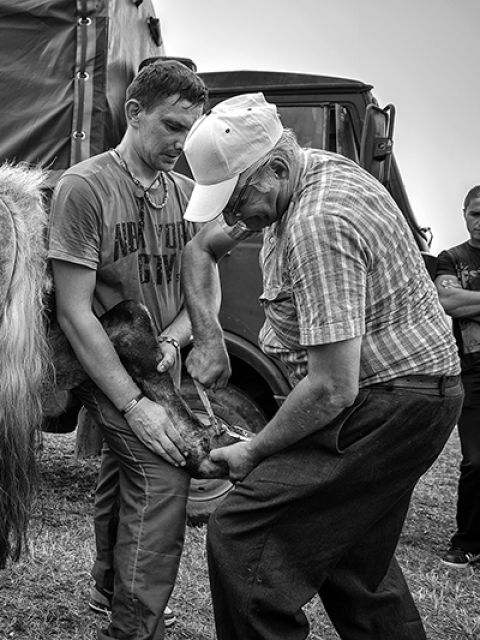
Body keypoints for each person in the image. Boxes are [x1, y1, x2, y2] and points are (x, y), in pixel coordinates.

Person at [180, 92, 462, 639]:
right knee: (352, 561)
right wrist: (209, 336)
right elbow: (200, 249)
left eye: (235, 201)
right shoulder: (302, 173)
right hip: (416, 393)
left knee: (242, 536)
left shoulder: (318, 222)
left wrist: (253, 452)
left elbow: (333, 388)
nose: (232, 218)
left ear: (276, 167)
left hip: (391, 401)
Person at [47, 59, 207, 640]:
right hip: (100, 360)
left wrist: (174, 338)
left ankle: (108, 585)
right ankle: (136, 628)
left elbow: (202, 290)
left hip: (158, 360)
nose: (181, 143)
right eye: (172, 126)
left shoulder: (186, 194)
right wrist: (134, 405)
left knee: (123, 468)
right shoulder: (85, 187)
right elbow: (73, 312)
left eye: (191, 130)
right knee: (163, 472)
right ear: (134, 113)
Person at [434, 184, 480, 569]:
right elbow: (448, 300)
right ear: (464, 214)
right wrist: (460, 302)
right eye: (476, 214)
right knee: (475, 461)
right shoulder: (451, 258)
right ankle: (468, 542)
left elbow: (462, 303)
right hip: (473, 372)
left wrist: (471, 303)